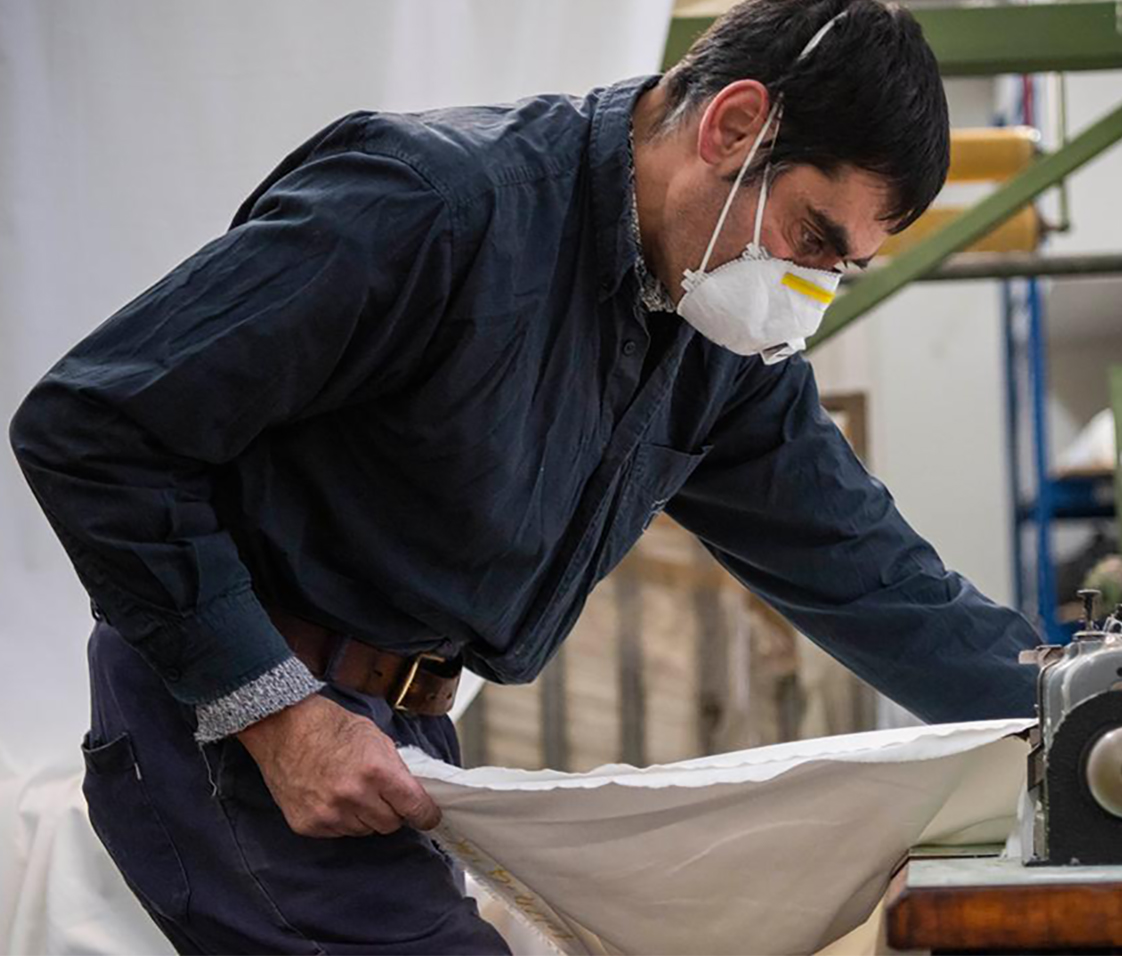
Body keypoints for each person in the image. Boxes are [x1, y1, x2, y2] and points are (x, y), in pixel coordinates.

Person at [8, 0, 1039, 951]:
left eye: (839, 268)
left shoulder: (713, 338)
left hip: (396, 726)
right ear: (732, 126)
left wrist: (1071, 698)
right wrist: (279, 715)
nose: (806, 291)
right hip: (230, 712)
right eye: (811, 238)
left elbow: (868, 571)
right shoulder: (429, 207)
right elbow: (93, 427)